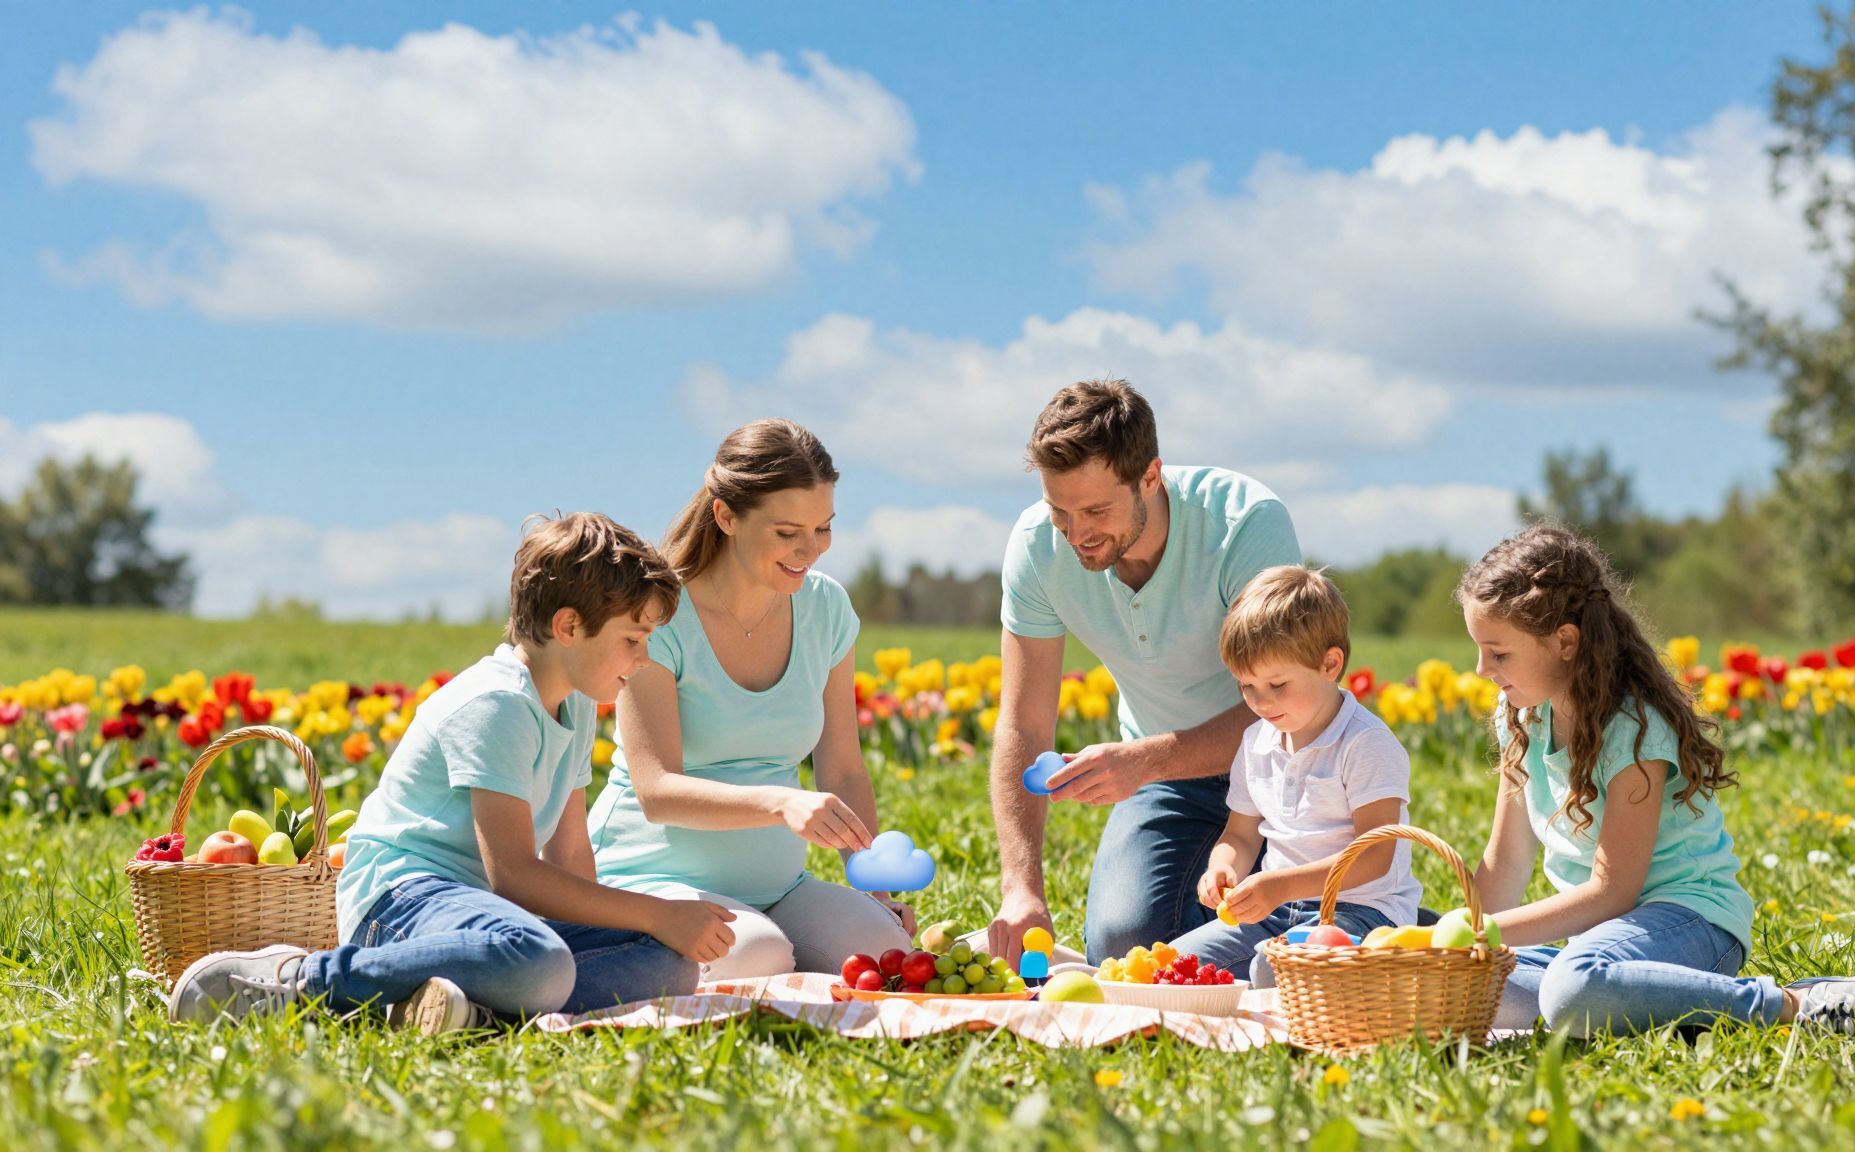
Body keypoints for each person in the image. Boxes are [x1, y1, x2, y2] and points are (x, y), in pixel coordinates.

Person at [172, 513, 733, 1031]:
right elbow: (513, 874)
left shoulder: (579, 702)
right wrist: (659, 912)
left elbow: (568, 858)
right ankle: (302, 980)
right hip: (400, 900)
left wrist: (648, 930)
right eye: (632, 639)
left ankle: (464, 1010)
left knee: (668, 963)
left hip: (483, 915)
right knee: (539, 960)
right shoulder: (496, 704)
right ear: (568, 627)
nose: (644, 658)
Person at [1462, 524, 1855, 1038]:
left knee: (1574, 989)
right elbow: (1506, 861)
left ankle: (1802, 1004)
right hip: (1598, 947)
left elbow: (1614, 893)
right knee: (1455, 991)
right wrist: (1454, 948)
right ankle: (1656, 1014)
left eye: (1498, 654)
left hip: (1690, 921)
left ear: (1565, 641)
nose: (1481, 669)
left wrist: (1481, 931)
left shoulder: (1631, 727)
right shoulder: (1521, 717)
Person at [984, 379, 1302, 965]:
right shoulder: (1036, 548)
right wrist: (1021, 887)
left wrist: (1146, 760)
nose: (1077, 535)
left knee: (1313, 921)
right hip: (1167, 787)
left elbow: (1286, 702)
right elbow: (1024, 725)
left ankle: (1354, 922)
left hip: (1286, 771)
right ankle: (1297, 923)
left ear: (1150, 477)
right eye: (1060, 511)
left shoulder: (1244, 525)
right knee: (1121, 942)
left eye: (1096, 511)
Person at [589, 419, 916, 978]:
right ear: (727, 516)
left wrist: (877, 888)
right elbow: (656, 790)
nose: (809, 550)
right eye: (788, 533)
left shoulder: (826, 610)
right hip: (649, 880)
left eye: (824, 528)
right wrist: (780, 803)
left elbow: (842, 768)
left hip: (775, 887)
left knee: (888, 958)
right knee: (759, 957)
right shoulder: (660, 615)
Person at [1166, 566, 1420, 986]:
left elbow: (1376, 855)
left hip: (1363, 913)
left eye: (1277, 684)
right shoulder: (1256, 742)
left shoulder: (1365, 743)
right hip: (1278, 912)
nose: (1260, 702)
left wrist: (1279, 886)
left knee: (1273, 972)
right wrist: (1223, 868)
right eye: (1246, 686)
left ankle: (1388, 961)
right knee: (1173, 966)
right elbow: (1241, 835)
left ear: (1330, 664)